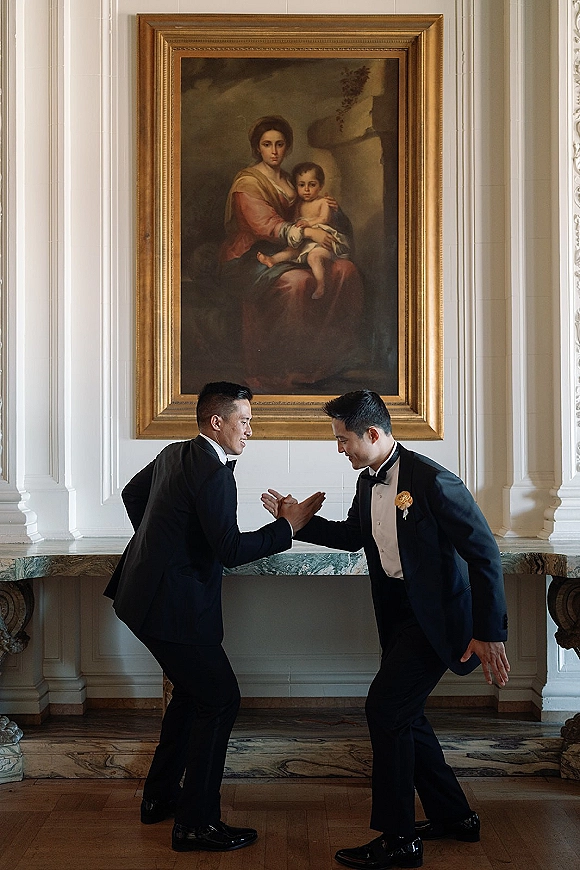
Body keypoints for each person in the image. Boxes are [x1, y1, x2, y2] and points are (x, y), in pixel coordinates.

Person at [262, 390, 510, 870]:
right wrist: (297, 522)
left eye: (344, 439)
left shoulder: (434, 481)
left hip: (436, 621)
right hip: (396, 614)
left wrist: (488, 631)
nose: (340, 449)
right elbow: (354, 537)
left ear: (373, 434)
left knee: (384, 709)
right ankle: (454, 817)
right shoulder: (365, 483)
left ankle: (399, 841)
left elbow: (485, 555)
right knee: (406, 715)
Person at [104, 381, 324, 854]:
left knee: (191, 695)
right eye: (243, 420)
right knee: (221, 700)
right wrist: (288, 527)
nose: (250, 429)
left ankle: (160, 798)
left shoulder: (175, 453)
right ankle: (196, 824)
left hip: (143, 598)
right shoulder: (214, 472)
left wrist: (167, 544)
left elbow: (131, 495)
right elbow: (228, 549)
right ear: (215, 422)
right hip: (172, 609)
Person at [220, 115, 364, 392]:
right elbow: (265, 226)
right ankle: (279, 368)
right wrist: (310, 233)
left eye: (280, 144)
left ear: (288, 147)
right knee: (296, 283)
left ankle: (322, 361)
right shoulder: (247, 183)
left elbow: (308, 214)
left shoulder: (292, 180)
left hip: (294, 251)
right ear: (257, 148)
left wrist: (328, 207)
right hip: (252, 255)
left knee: (346, 271)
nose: (274, 151)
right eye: (267, 144)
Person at [256, 161, 351, 300]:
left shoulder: (323, 201)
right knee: (290, 250)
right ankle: (272, 260)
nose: (306, 189)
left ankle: (320, 285)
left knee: (314, 257)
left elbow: (324, 219)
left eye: (312, 185)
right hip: (306, 240)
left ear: (321, 186)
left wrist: (308, 223)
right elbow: (295, 222)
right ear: (296, 186)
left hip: (323, 242)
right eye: (301, 185)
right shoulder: (299, 204)